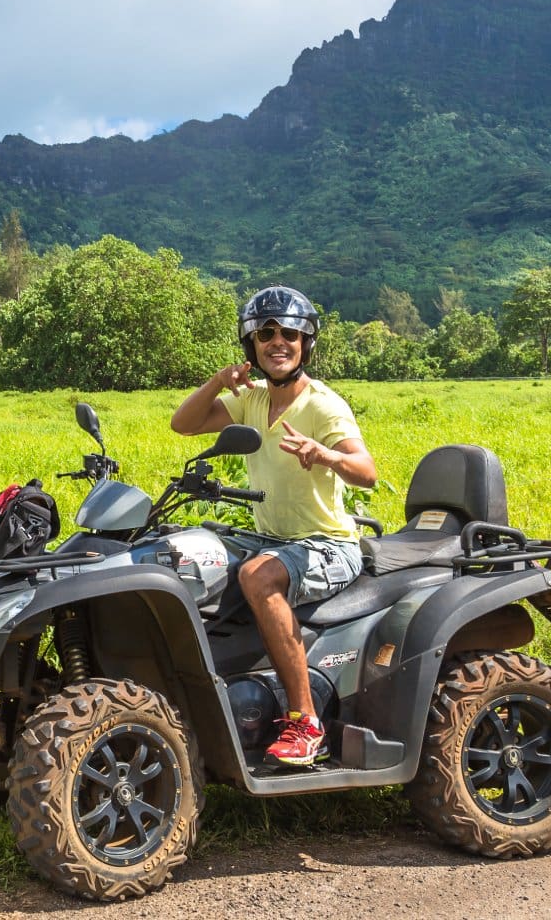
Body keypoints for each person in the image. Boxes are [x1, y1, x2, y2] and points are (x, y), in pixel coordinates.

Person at [169, 286, 377, 767]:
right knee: (191, 552)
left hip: (329, 543)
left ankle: (306, 722)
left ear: (306, 343)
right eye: (266, 333)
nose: (277, 341)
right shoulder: (253, 400)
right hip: (274, 537)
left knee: (258, 577)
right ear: (251, 345)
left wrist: (324, 454)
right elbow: (185, 423)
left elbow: (367, 471)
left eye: (290, 333)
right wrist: (219, 381)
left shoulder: (324, 405)